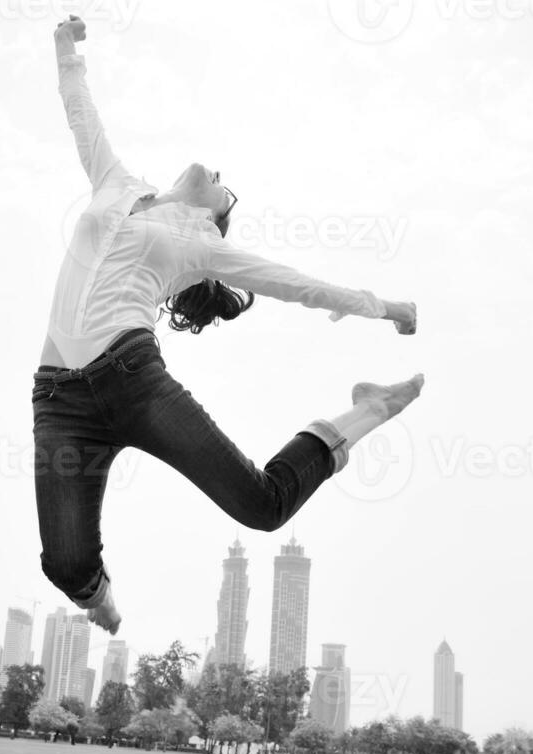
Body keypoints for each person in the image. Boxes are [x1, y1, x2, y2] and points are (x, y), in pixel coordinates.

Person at [36, 16, 423, 634]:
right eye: (221, 180)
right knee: (66, 566)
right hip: (59, 398)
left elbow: (298, 283)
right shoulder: (115, 182)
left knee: (263, 506)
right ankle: (98, 598)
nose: (218, 179)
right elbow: (82, 114)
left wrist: (383, 307)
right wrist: (65, 48)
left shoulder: (201, 246)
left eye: (224, 190)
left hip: (133, 381)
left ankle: (367, 411)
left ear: (214, 218)